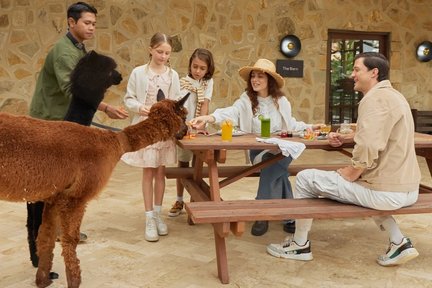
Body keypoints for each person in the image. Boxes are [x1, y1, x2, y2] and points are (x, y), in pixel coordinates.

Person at [266, 52, 421, 267]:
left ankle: (299, 245)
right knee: (361, 187)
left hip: (386, 192)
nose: (352, 74)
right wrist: (348, 137)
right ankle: (399, 242)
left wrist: (354, 170)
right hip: (409, 189)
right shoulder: (396, 96)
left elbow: (369, 145)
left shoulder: (374, 99)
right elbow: (381, 134)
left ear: (374, 72)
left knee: (304, 178)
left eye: (357, 69)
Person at [27, 1, 128, 273]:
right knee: (41, 190)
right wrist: (106, 97)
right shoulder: (63, 53)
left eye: (94, 23)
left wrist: (105, 105)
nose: (92, 27)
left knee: (60, 186)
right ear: (71, 23)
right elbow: (73, 89)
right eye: (87, 22)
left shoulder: (77, 48)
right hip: (48, 125)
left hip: (64, 126)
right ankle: (39, 253)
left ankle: (57, 231)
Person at [190, 58, 321, 236]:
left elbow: (290, 124)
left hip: (281, 149)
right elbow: (230, 112)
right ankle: (289, 215)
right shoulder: (246, 100)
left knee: (276, 162)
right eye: (253, 76)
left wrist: (310, 127)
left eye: (260, 76)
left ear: (269, 80)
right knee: (274, 167)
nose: (255, 80)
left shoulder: (281, 101)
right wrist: (208, 118)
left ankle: (261, 212)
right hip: (258, 150)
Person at [121, 32, 181, 242]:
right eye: (159, 52)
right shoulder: (139, 73)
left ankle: (158, 214)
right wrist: (141, 108)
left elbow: (176, 102)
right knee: (148, 172)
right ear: (150, 49)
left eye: (167, 53)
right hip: (146, 128)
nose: (163, 57)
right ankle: (148, 217)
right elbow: (129, 98)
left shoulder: (172, 76)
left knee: (161, 172)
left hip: (164, 132)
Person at [168, 48, 215, 217]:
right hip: (184, 128)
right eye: (195, 67)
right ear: (190, 65)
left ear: (208, 69)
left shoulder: (207, 83)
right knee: (183, 163)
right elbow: (179, 107)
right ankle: (179, 199)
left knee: (199, 164)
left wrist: (201, 126)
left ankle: (195, 200)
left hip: (199, 128)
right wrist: (185, 127)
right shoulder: (182, 83)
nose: (198, 71)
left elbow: (205, 105)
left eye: (202, 68)